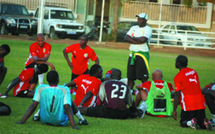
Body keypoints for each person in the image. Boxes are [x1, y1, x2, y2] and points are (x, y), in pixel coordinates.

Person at [16, 70, 88, 129]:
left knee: (47, 99)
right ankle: (81, 119)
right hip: (60, 121)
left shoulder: (41, 88)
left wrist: (21, 121)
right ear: (58, 79)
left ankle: (37, 115)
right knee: (69, 101)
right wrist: (74, 126)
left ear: (47, 80)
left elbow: (33, 105)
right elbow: (67, 107)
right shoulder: (64, 89)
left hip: (44, 119)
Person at [173, 55, 212, 131]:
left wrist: (174, 110)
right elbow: (197, 89)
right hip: (200, 103)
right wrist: (206, 87)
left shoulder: (178, 76)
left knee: (183, 122)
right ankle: (205, 123)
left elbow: (177, 94)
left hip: (188, 104)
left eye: (176, 61)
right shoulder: (194, 72)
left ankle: (190, 122)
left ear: (178, 63)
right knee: (200, 123)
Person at [124, 13, 152, 94]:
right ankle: (128, 96)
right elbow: (126, 38)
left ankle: (145, 96)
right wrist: (137, 41)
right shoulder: (134, 28)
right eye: (138, 19)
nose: (138, 21)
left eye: (140, 19)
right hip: (132, 54)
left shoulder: (148, 29)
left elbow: (143, 40)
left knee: (143, 78)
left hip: (142, 55)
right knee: (130, 78)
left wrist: (132, 38)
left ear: (145, 20)